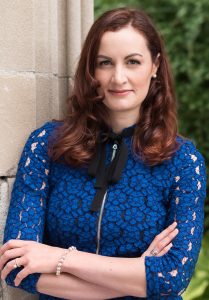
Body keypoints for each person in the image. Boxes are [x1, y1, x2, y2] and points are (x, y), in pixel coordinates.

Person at [0, 7, 206, 300]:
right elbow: (16, 266)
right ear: (91, 70)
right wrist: (136, 273)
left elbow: (172, 278)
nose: (118, 77)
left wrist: (60, 259)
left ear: (155, 65)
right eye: (105, 63)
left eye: (133, 62)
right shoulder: (46, 145)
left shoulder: (183, 163)